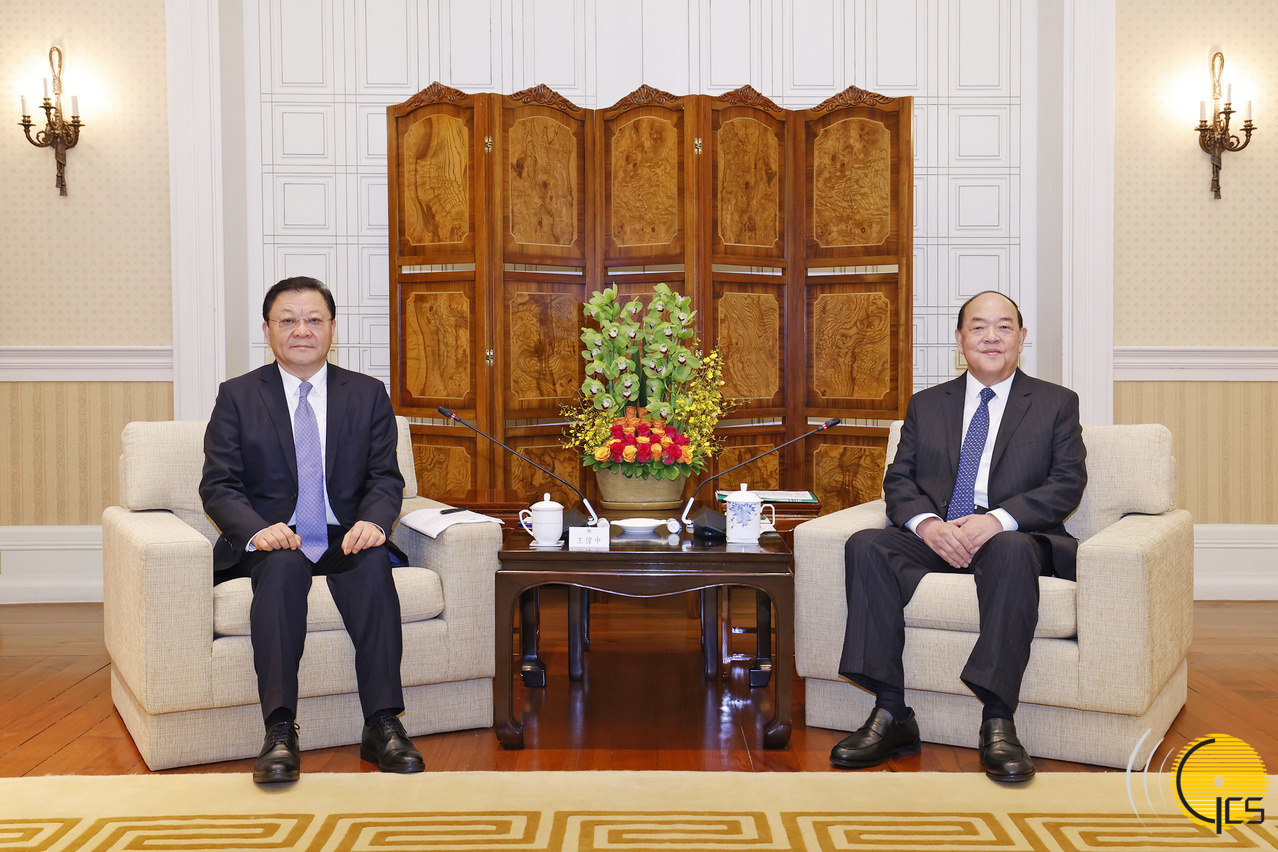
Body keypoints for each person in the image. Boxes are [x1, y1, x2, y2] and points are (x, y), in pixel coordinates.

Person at [831, 290, 1086, 782]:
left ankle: (998, 720)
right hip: (941, 530)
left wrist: (998, 520)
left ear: (1021, 338)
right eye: (978, 327)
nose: (992, 337)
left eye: (1004, 327)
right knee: (867, 544)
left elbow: (1066, 483)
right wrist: (928, 526)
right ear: (960, 339)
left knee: (1011, 550)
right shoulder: (927, 405)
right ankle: (891, 712)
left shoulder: (1056, 403)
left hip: (1011, 535)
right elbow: (898, 481)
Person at [200, 276, 424, 784]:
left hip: (344, 533)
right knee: (281, 570)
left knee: (372, 565)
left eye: (313, 320)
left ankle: (383, 724)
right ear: (267, 330)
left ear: (331, 329)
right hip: (275, 538)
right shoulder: (238, 396)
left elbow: (385, 477)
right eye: (287, 320)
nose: (301, 330)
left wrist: (373, 521)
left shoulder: (367, 394)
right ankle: (280, 730)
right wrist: (258, 530)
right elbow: (218, 484)